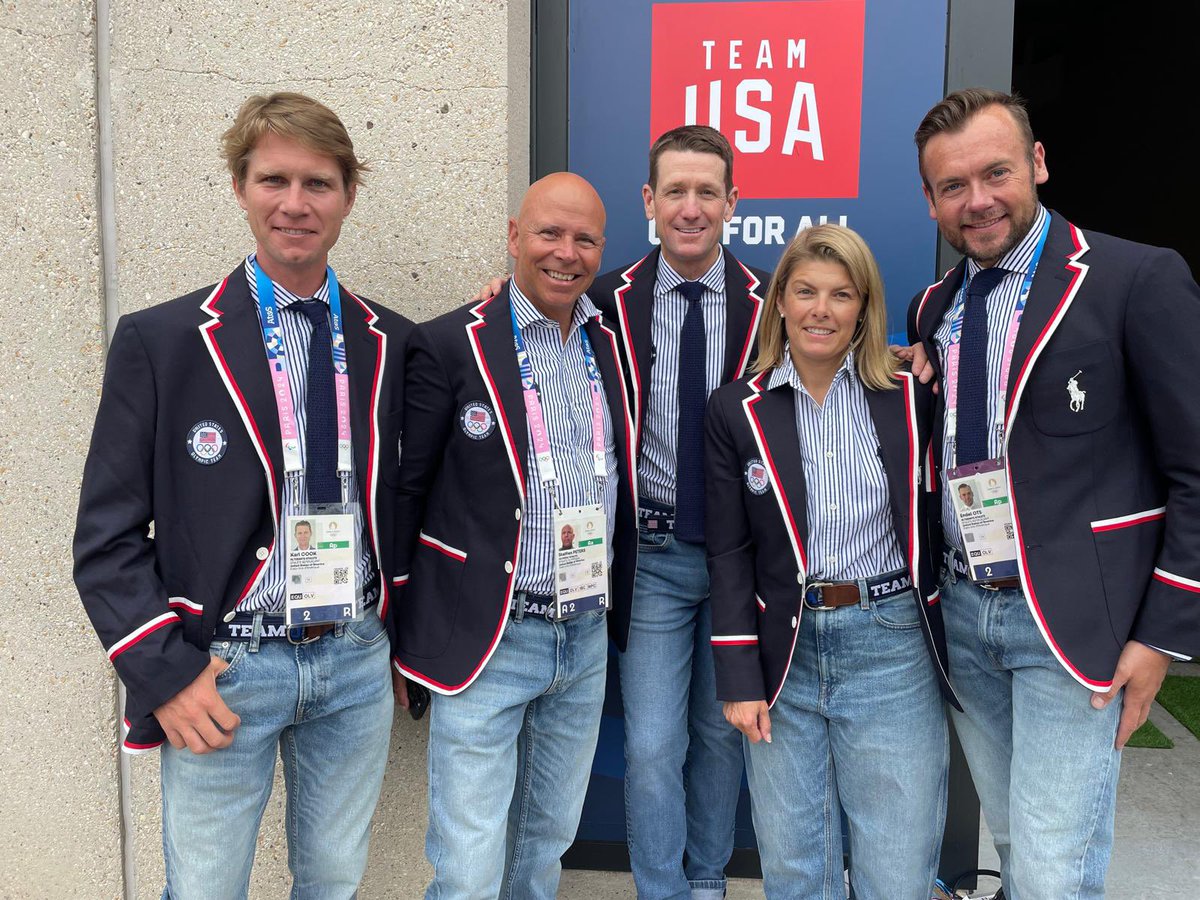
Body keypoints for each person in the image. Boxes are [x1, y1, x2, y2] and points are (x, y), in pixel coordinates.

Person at [72, 92, 412, 898]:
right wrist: (164, 672)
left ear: (349, 196)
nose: (295, 203)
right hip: (224, 669)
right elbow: (105, 539)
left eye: (318, 183)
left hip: (354, 661)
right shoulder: (163, 341)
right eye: (274, 180)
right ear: (239, 188)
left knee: (333, 883)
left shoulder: (393, 342)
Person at [908, 88, 1200, 899]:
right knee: (1027, 847)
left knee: (1048, 870)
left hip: (1071, 625)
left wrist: (1162, 635)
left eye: (996, 173)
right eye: (953, 186)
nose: (978, 200)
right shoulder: (935, 308)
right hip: (965, 614)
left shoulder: (1135, 279)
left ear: (1037, 162)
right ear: (930, 200)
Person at [390, 172, 638, 899]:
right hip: (489, 636)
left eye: (585, 239)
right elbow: (405, 496)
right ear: (513, 237)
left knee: (543, 845)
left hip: (584, 634)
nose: (566, 252)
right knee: (468, 863)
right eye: (549, 233)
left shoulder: (613, 342)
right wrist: (401, 636)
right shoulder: (449, 344)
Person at [705, 224, 958, 900]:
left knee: (896, 869)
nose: (822, 310)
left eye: (841, 294)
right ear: (781, 302)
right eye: (806, 291)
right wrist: (738, 676)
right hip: (784, 655)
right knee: (795, 868)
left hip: (891, 643)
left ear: (864, 307)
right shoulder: (736, 410)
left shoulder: (912, 396)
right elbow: (729, 552)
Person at [588, 124, 766, 900]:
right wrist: (502, 294)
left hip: (738, 559)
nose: (690, 207)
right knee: (654, 744)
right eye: (675, 191)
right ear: (649, 200)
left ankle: (707, 881)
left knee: (721, 735)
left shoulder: (773, 303)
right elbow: (519, 323)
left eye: (706, 192)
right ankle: (659, 888)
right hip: (652, 557)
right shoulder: (602, 302)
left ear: (732, 201)